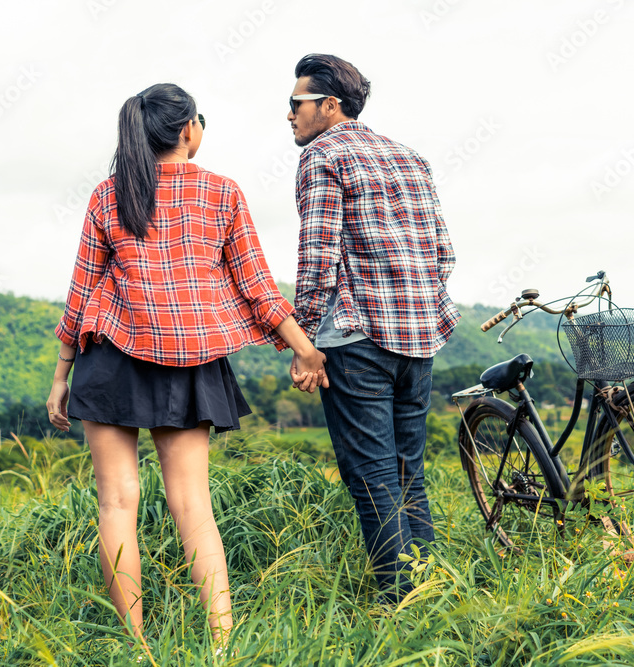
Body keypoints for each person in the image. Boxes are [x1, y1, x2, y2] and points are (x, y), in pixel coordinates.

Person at [46, 83, 327, 648]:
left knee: (116, 501)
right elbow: (256, 287)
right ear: (187, 131)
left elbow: (81, 291)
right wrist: (304, 347)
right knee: (192, 501)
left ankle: (135, 644)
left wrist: (60, 376)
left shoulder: (109, 195)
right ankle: (222, 641)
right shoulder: (222, 194)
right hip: (190, 359)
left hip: (110, 357)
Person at [286, 54, 460, 602]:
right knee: (410, 473)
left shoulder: (322, 156)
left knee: (372, 478)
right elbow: (444, 252)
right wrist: (426, 311)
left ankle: (398, 602)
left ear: (329, 106)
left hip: (357, 341)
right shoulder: (411, 158)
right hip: (418, 339)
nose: (288, 115)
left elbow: (318, 257)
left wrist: (304, 342)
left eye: (296, 104)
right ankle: (430, 594)